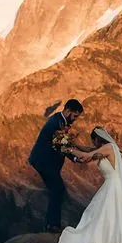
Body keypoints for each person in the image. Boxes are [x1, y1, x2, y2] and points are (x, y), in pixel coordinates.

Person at [28, 98, 85, 232]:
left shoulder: (60, 121)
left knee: (56, 190)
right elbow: (61, 145)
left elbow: (63, 145)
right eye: (75, 116)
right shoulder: (56, 123)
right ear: (68, 110)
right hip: (44, 161)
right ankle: (53, 225)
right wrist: (76, 157)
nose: (75, 119)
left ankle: (51, 224)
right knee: (58, 189)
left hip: (46, 162)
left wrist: (75, 156)